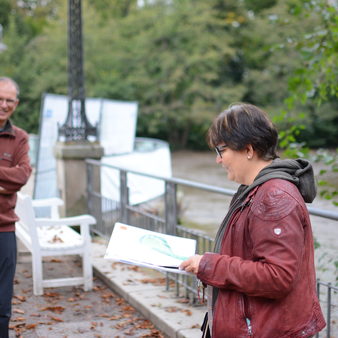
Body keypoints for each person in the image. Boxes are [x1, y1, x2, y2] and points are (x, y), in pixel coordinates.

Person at [180, 103, 326, 337]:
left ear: (248, 149)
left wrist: (209, 265)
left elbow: (277, 277)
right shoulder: (256, 190)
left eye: (221, 151)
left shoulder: (274, 196)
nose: (218, 160)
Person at [0, 77, 32, 337]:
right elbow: (13, 178)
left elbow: (22, 176)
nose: (3, 104)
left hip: (4, 229)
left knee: (2, 304)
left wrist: (11, 181)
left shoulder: (19, 137)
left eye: (9, 100)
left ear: (16, 104)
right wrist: (5, 179)